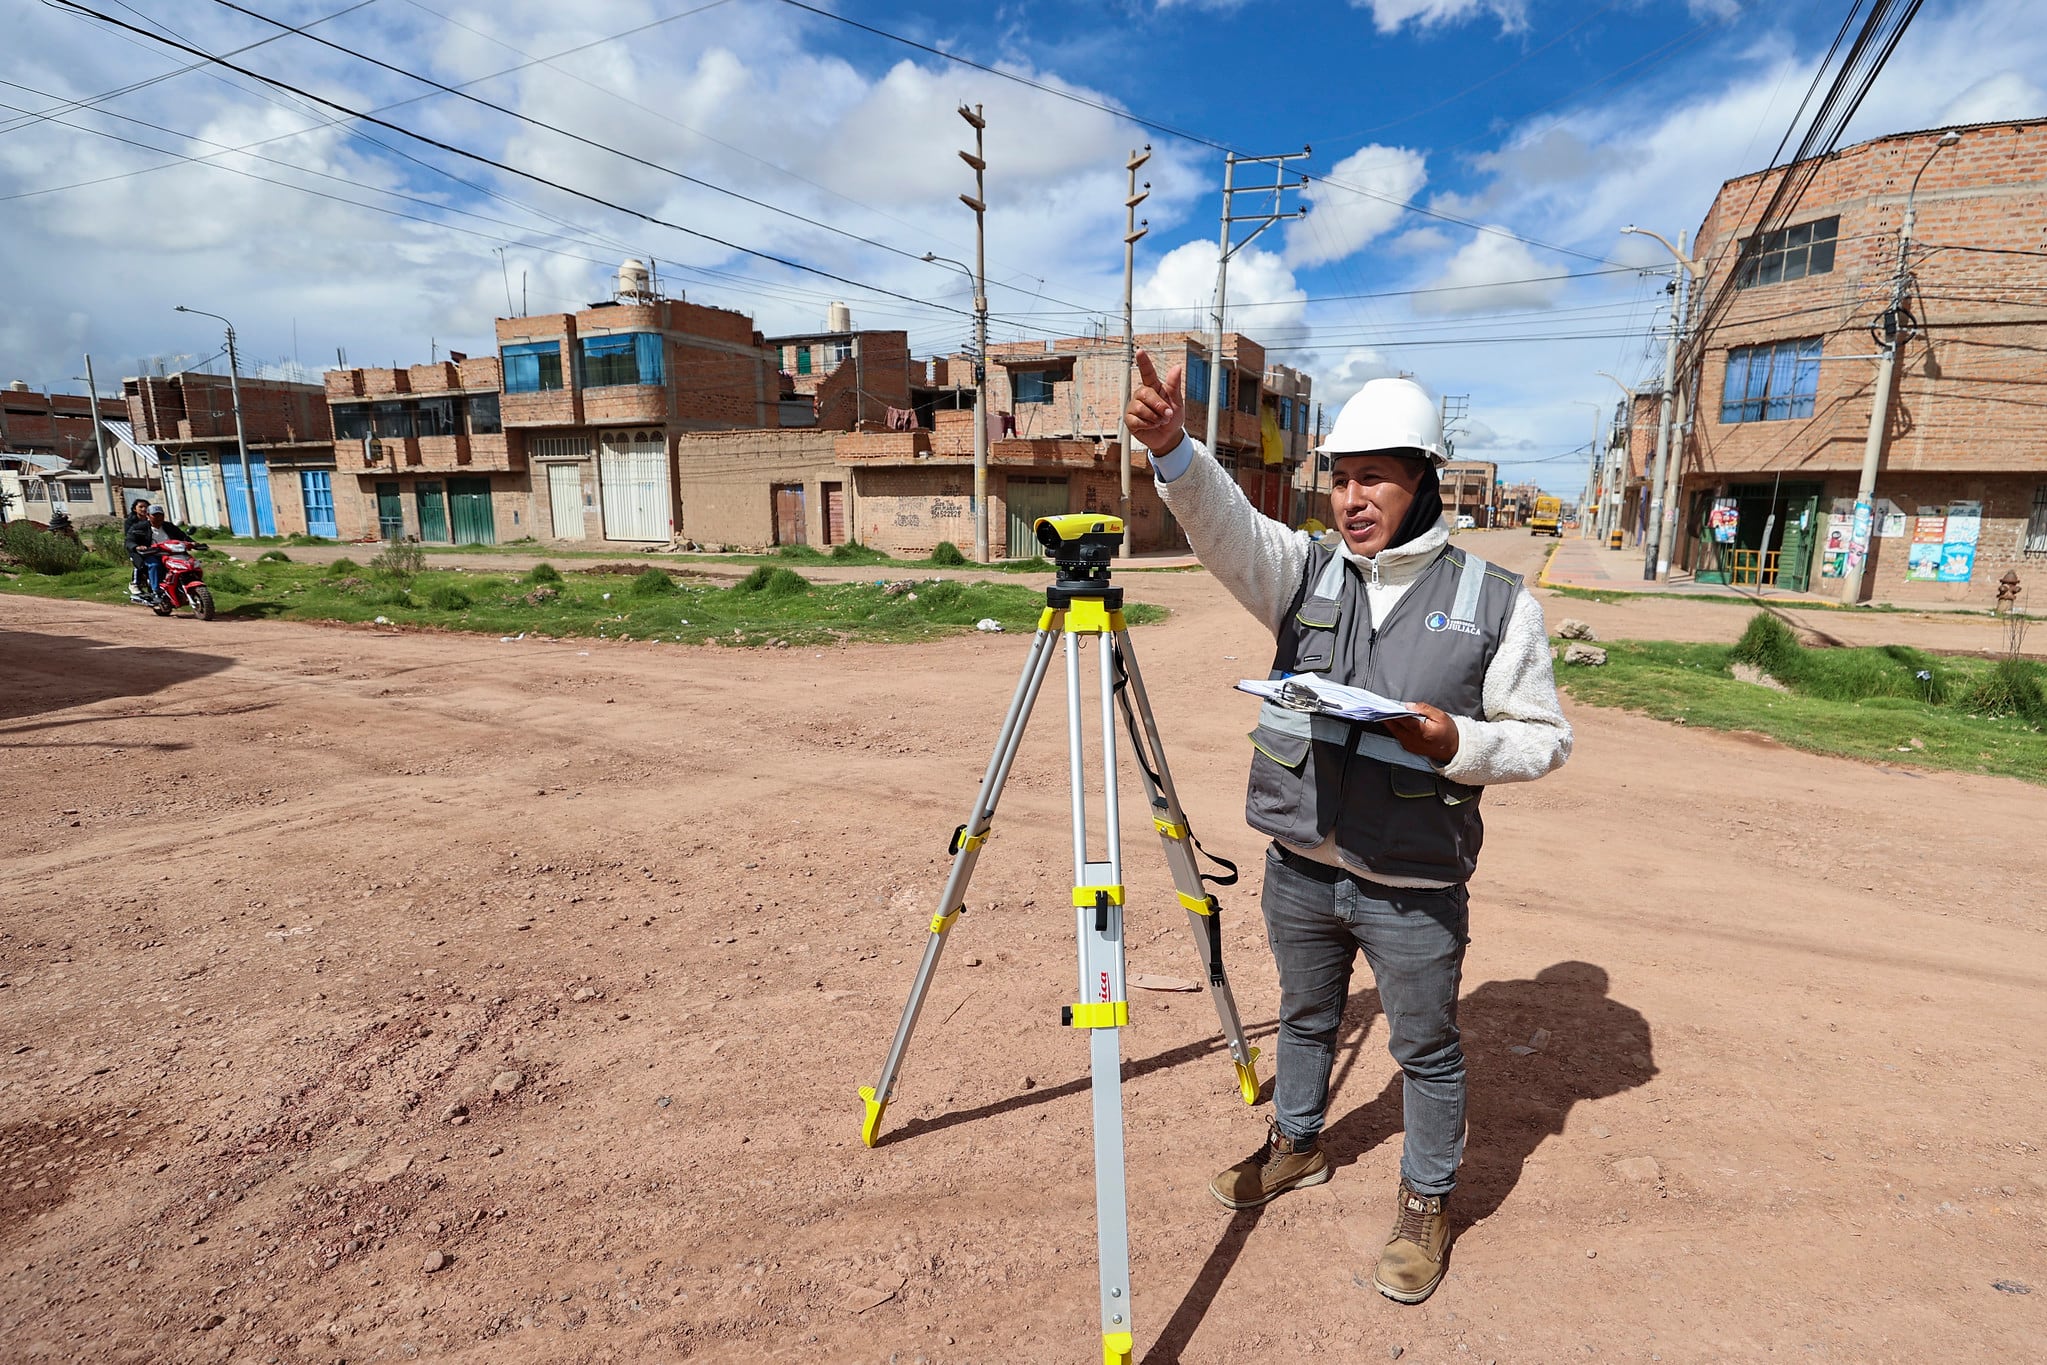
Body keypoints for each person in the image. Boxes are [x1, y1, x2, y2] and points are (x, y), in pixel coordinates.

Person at [1123, 351, 1571, 1305]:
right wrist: (1174, 452)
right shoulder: (1304, 572)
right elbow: (1228, 530)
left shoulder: (1495, 602)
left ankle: (1426, 1200)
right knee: (1305, 1018)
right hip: (1301, 864)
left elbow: (1543, 739)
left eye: (1374, 476)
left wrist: (1460, 739)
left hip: (1411, 880)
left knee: (1425, 1049)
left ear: (1423, 482)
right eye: (1339, 475)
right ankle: (1295, 1143)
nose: (1351, 497)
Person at [138, 504, 191, 601]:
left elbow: (182, 536)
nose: (158, 518)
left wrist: (192, 543)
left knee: (189, 563)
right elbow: (131, 540)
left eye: (160, 515)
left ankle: (185, 585)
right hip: (152, 554)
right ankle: (156, 591)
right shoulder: (141, 527)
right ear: (148, 516)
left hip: (172, 554)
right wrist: (138, 546)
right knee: (155, 565)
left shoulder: (169, 526)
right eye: (155, 515)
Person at [124, 498, 156, 602]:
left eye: (146, 507)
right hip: (136, 547)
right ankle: (134, 584)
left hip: (151, 546)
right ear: (134, 509)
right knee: (139, 563)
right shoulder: (130, 522)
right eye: (141, 507)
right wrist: (137, 546)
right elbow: (129, 537)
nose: (144, 509)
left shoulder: (152, 519)